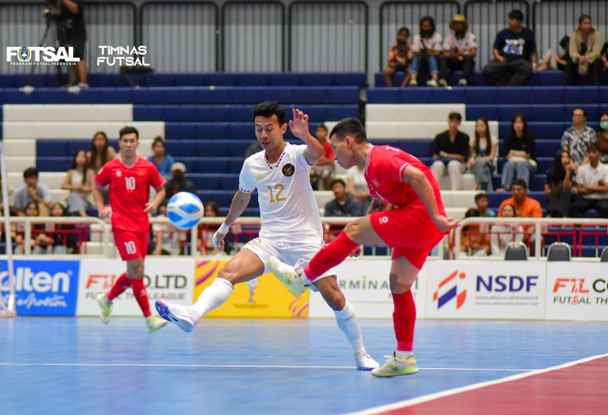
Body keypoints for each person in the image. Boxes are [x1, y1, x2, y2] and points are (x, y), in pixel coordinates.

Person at [154, 102, 379, 371]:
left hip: (305, 241)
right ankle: (193, 313)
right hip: (270, 239)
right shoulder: (252, 164)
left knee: (336, 299)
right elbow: (243, 195)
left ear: (283, 128)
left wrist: (306, 135)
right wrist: (225, 226)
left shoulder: (296, 154)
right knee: (228, 273)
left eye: (269, 128)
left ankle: (361, 354)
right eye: (258, 129)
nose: (263, 134)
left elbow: (317, 155)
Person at [267, 117, 460, 378]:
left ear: (349, 142)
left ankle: (301, 278)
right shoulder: (369, 169)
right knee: (398, 284)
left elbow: (417, 176)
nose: (332, 156)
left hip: (423, 218)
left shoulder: (380, 158)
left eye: (334, 148)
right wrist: (364, 235)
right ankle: (404, 357)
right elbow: (380, 203)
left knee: (351, 229)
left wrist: (436, 215)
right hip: (423, 227)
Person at [92, 126, 168, 333]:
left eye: (131, 140)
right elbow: (96, 186)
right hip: (122, 225)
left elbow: (161, 189)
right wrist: (100, 208)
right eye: (124, 141)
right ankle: (149, 318)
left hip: (142, 225)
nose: (128, 144)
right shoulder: (110, 167)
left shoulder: (148, 167)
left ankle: (106, 299)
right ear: (119, 143)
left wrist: (154, 204)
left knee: (133, 272)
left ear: (137, 143)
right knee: (138, 271)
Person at [483, 10, 538, 86]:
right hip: (503, 60)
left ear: (519, 22)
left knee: (527, 67)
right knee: (488, 69)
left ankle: (512, 86)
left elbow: (533, 51)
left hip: (519, 60)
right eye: (509, 20)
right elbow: (495, 48)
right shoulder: (503, 33)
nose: (509, 22)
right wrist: (498, 57)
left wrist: (534, 64)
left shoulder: (528, 33)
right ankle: (502, 86)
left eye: (512, 20)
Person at [430, 112, 470, 190]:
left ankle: (456, 191)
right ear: (448, 122)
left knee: (453, 164)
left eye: (456, 122)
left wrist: (446, 155)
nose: (453, 124)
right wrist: (452, 156)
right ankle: (433, 190)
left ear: (459, 123)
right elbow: (435, 156)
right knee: (437, 165)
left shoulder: (464, 137)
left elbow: (462, 157)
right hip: (443, 165)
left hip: (458, 165)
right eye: (451, 121)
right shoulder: (439, 137)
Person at [497, 179, 542, 246]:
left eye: (519, 190)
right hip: (509, 232)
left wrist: (525, 234)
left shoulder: (534, 204)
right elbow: (500, 222)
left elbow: (537, 224)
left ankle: (532, 256)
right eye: (513, 189)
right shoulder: (505, 204)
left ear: (525, 191)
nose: (516, 192)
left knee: (537, 238)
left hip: (528, 234)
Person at [498, 113, 537, 191]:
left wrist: (513, 153)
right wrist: (520, 154)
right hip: (512, 162)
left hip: (529, 163)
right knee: (509, 165)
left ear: (524, 124)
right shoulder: (508, 137)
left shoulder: (529, 137)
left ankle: (523, 187)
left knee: (521, 164)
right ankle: (505, 187)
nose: (518, 125)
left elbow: (528, 155)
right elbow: (506, 155)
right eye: (515, 122)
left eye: (520, 122)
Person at [55, 0, 88, 91]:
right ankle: (73, 81)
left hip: (77, 33)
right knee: (70, 58)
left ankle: (83, 81)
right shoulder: (60, 3)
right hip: (66, 33)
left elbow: (75, 9)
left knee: (78, 56)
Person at [569, 143, 608, 218]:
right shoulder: (581, 169)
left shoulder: (606, 168)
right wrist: (599, 189)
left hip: (602, 199)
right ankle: (584, 226)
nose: (591, 154)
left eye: (594, 152)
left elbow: (606, 189)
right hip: (586, 199)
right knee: (572, 208)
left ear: (599, 154)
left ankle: (602, 228)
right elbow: (579, 190)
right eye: (589, 152)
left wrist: (586, 187)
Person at [439, 14, 477, 87]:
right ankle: (442, 79)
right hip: (453, 61)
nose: (458, 27)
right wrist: (453, 55)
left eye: (460, 24)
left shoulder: (471, 37)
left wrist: (462, 54)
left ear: (464, 26)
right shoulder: (449, 37)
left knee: (469, 59)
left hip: (464, 62)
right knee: (443, 59)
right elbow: (445, 53)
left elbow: (473, 53)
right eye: (456, 25)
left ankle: (463, 80)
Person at [566, 15, 603, 86]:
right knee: (569, 64)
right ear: (580, 25)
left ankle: (596, 88)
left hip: (592, 59)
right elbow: (572, 51)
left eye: (589, 23)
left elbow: (596, 52)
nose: (588, 25)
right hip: (578, 59)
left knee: (597, 63)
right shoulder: (574, 34)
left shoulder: (596, 34)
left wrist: (586, 58)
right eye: (585, 23)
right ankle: (567, 89)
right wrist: (579, 57)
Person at [409, 16, 443, 87]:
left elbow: (438, 52)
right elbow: (414, 51)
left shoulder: (437, 37)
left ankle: (434, 79)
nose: (426, 29)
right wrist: (423, 52)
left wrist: (429, 53)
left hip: (433, 60)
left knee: (431, 57)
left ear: (432, 26)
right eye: (424, 26)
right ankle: (413, 79)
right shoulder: (417, 37)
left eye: (428, 26)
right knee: (415, 58)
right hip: (420, 61)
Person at [61, 149, 94, 216]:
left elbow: (94, 187)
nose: (81, 159)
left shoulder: (90, 172)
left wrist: (83, 188)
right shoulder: (71, 172)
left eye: (83, 157)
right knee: (73, 196)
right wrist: (74, 187)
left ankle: (80, 215)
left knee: (74, 207)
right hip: (73, 196)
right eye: (79, 156)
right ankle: (83, 214)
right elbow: (63, 185)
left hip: (85, 199)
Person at [469, 118, 498, 191]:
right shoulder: (473, 140)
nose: (479, 128)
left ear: (486, 127)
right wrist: (471, 160)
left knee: (483, 163)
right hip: (476, 166)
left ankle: (476, 185)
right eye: (477, 126)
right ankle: (489, 191)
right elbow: (470, 156)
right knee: (485, 171)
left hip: (489, 164)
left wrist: (480, 159)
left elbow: (491, 157)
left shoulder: (492, 139)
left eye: (482, 125)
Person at [545, 150, 574, 217]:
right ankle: (550, 214)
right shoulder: (551, 172)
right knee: (555, 191)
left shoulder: (572, 172)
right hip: (554, 196)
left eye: (567, 157)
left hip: (568, 198)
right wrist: (556, 191)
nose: (565, 160)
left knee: (565, 192)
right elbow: (546, 191)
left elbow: (568, 188)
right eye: (563, 157)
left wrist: (567, 174)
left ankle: (564, 215)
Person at [309, 124, 335, 190]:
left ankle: (328, 191)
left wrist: (319, 159)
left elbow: (331, 161)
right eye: (318, 131)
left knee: (326, 172)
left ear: (326, 133)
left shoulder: (329, 146)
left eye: (322, 131)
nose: (320, 133)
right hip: (315, 166)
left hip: (326, 167)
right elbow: (310, 159)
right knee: (309, 171)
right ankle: (310, 190)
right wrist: (322, 159)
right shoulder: (313, 145)